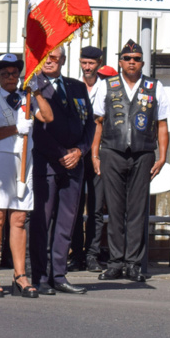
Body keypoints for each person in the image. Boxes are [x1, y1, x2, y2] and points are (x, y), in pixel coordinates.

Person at [91, 39, 170, 282]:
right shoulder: (107, 86)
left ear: (143, 63)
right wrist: (95, 154)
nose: (132, 62)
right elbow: (97, 122)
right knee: (115, 210)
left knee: (137, 211)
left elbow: (162, 124)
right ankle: (115, 263)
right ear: (120, 62)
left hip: (143, 153)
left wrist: (163, 156)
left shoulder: (155, 87)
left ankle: (134, 263)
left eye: (136, 59)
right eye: (127, 59)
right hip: (112, 153)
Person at [0, 54, 53, 298]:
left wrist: (37, 92)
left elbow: (48, 117)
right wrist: (15, 128)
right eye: (5, 74)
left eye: (14, 73)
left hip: (23, 163)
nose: (11, 77)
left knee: (19, 219)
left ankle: (20, 275)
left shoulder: (26, 98)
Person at [29, 46, 95, 295]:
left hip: (75, 162)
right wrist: (60, 154)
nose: (50, 61)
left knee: (66, 222)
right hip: (47, 162)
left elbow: (89, 123)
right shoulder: (33, 85)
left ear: (63, 60)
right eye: (45, 56)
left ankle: (59, 274)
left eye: (55, 57)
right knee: (41, 221)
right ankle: (40, 276)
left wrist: (80, 150)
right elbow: (37, 129)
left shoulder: (76, 86)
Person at [69, 45, 107, 272]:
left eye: (91, 63)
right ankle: (76, 255)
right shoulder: (73, 86)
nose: (87, 67)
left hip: (99, 155)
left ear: (99, 64)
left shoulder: (107, 86)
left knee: (95, 207)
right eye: (84, 63)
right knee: (73, 206)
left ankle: (92, 254)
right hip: (77, 151)